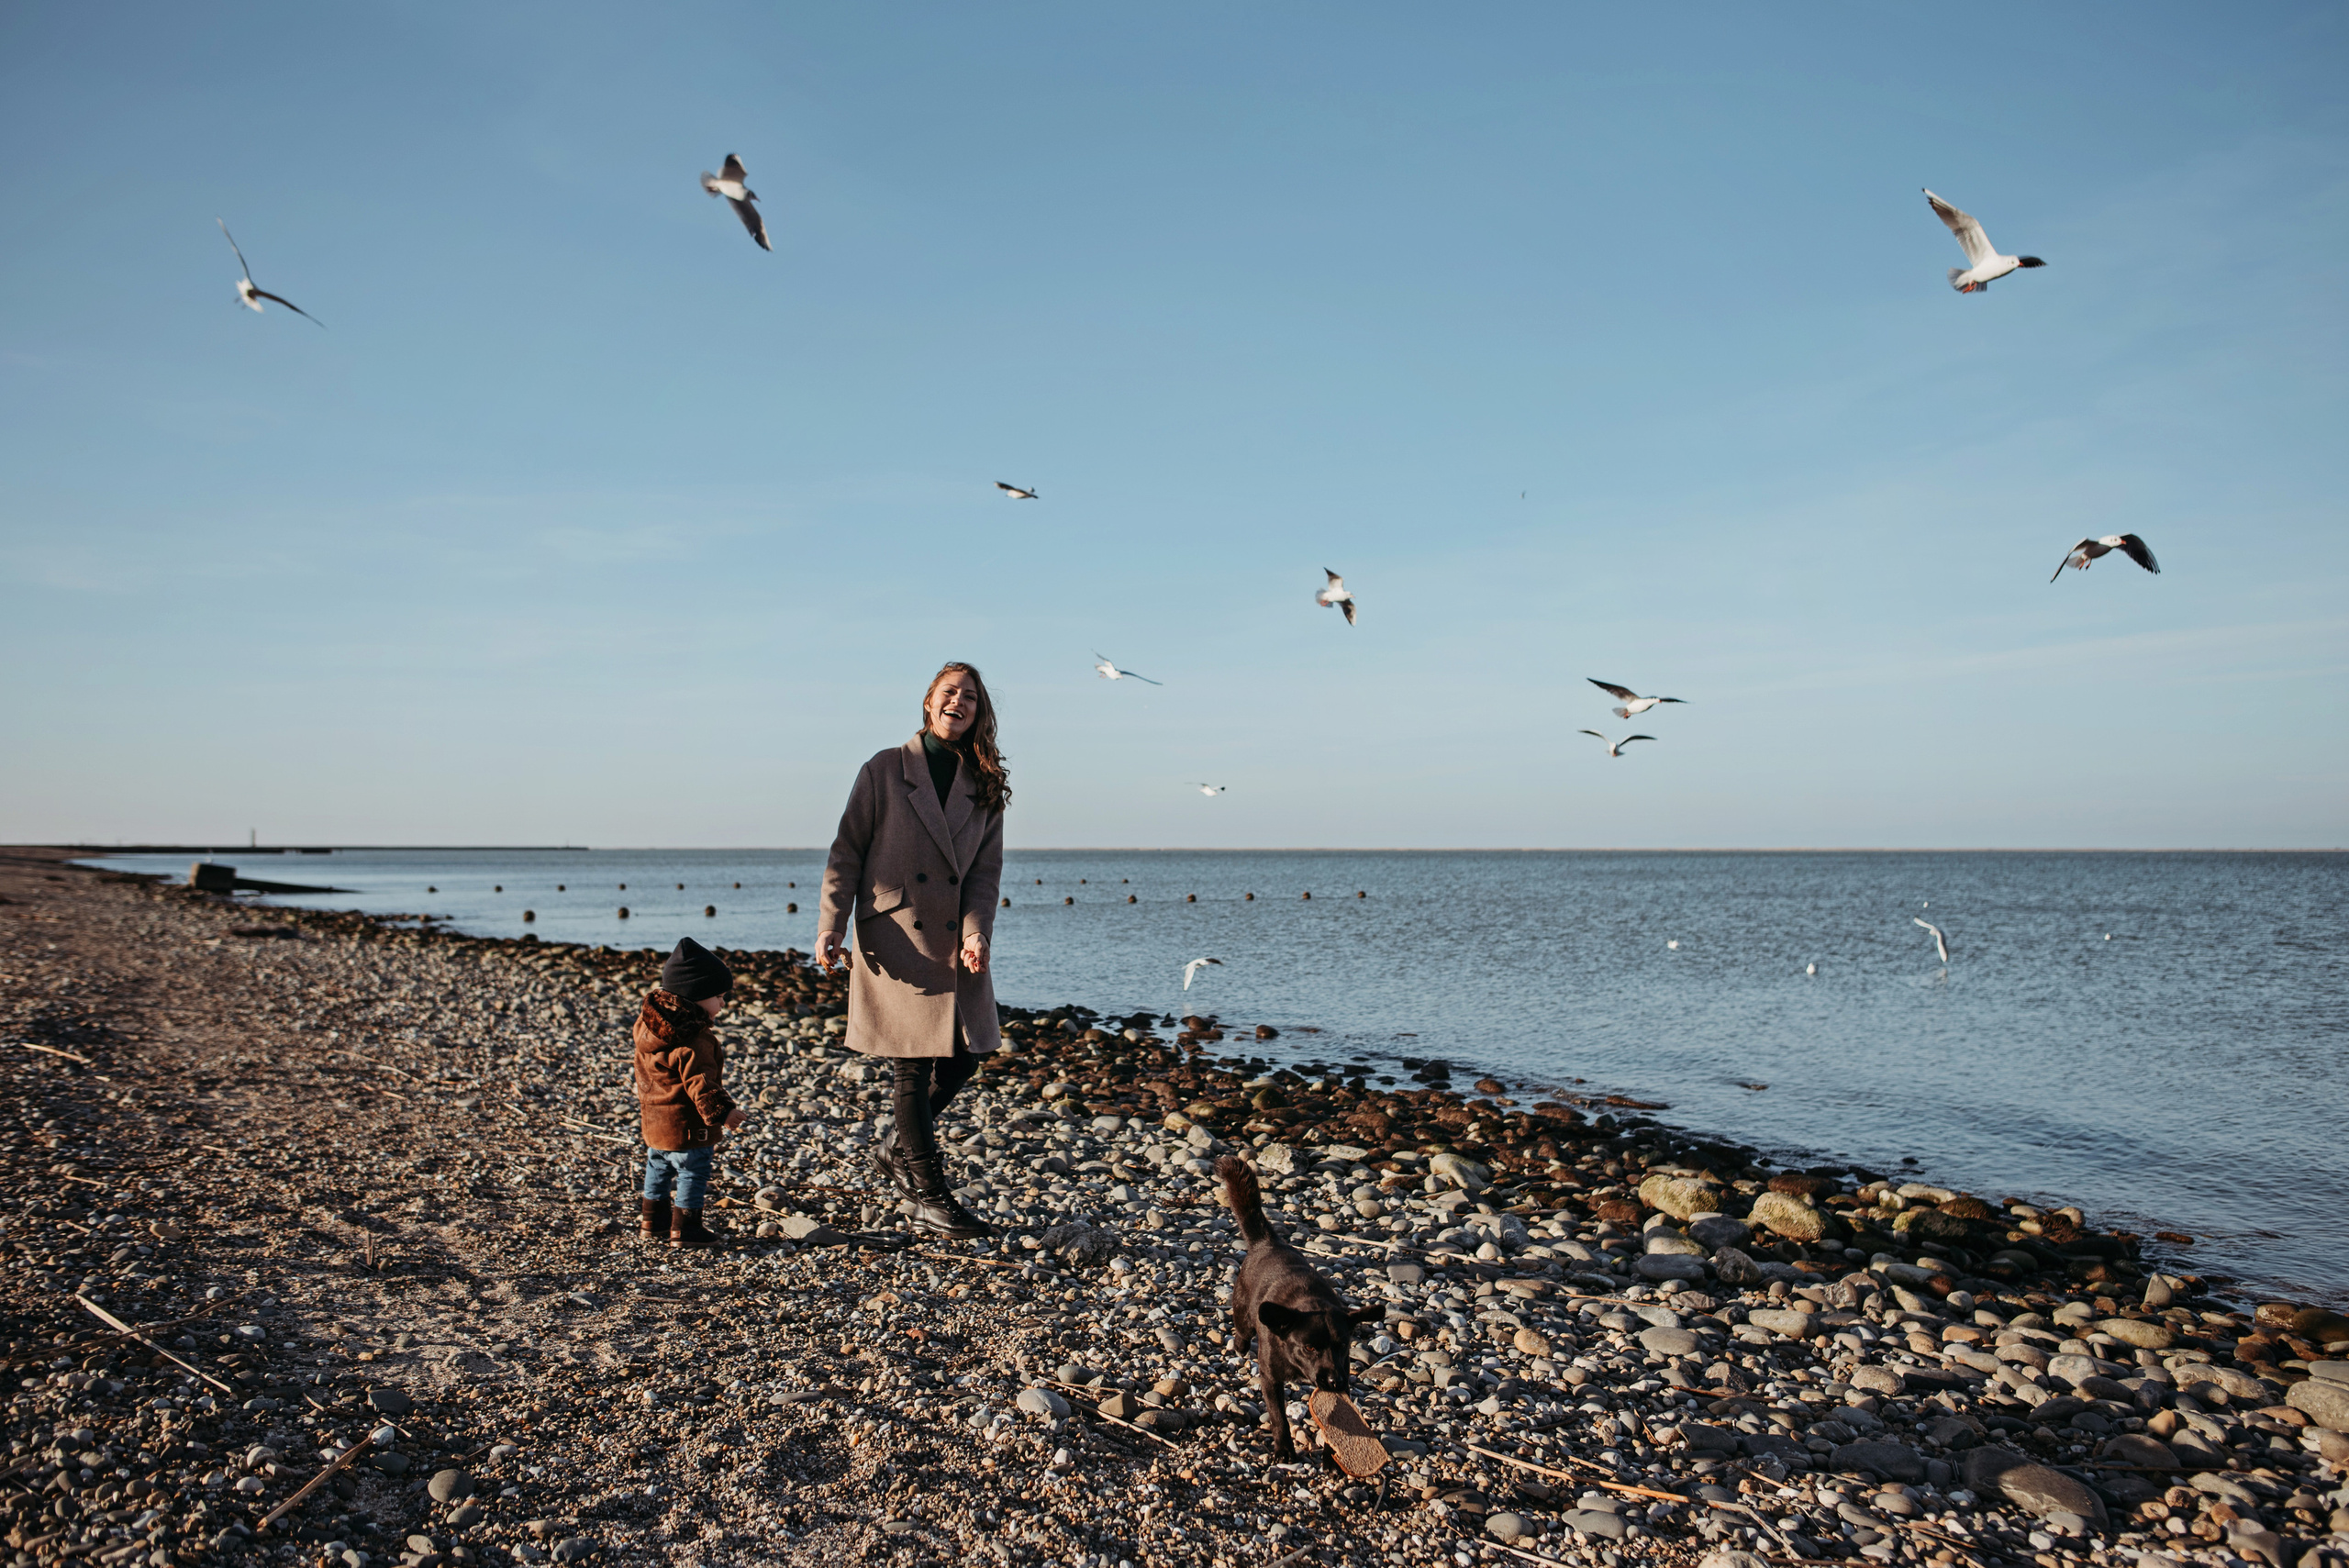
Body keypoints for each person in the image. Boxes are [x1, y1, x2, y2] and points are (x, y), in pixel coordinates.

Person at [818, 662, 1008, 1239]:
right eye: (950, 692)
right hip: (896, 933)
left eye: (970, 696)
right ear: (928, 702)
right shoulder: (884, 769)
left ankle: (896, 1148)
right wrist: (831, 924)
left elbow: (984, 874)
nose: (959, 702)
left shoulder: (985, 782)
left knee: (969, 1053)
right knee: (912, 1065)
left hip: (954, 939)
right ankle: (929, 1194)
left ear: (979, 711)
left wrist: (977, 932)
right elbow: (847, 851)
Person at [635, 936, 748, 1248]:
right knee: (692, 1171)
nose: (723, 1004)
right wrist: (724, 1112)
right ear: (696, 997)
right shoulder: (695, 1040)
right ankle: (686, 1229)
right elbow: (701, 1083)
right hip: (686, 1125)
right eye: (719, 997)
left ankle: (652, 1221)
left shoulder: (648, 1028)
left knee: (657, 1166)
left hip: (654, 1121)